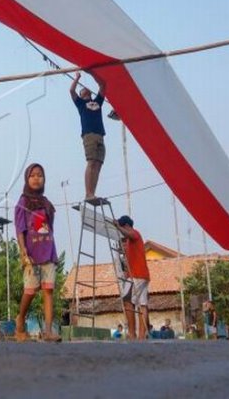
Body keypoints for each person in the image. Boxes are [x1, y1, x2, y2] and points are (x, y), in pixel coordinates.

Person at [14, 163, 60, 342]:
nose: (36, 178)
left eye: (40, 175)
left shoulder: (46, 202)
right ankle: (20, 318)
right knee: (31, 291)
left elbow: (50, 228)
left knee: (48, 290)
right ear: (27, 178)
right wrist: (23, 250)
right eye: (32, 175)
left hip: (48, 252)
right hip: (31, 254)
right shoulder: (23, 201)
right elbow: (20, 228)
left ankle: (48, 331)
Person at [69, 72, 107, 201]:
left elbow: (103, 85)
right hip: (89, 134)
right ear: (81, 95)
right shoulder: (80, 103)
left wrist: (93, 73)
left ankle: (92, 193)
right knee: (91, 162)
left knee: (98, 163)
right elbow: (71, 90)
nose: (85, 89)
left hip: (100, 134)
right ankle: (88, 193)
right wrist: (77, 78)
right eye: (83, 90)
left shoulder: (97, 102)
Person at [115, 215, 150, 340]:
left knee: (127, 301)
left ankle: (132, 333)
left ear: (126, 226)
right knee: (143, 304)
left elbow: (128, 233)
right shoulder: (131, 242)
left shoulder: (135, 234)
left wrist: (118, 227)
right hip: (142, 275)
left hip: (137, 275)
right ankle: (141, 335)